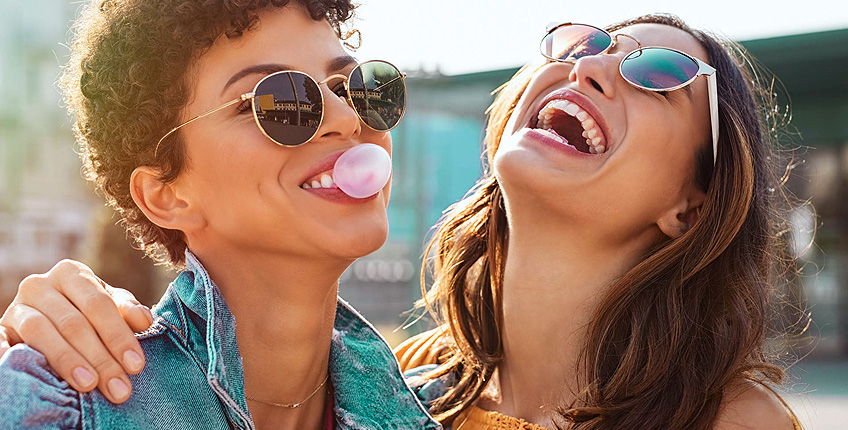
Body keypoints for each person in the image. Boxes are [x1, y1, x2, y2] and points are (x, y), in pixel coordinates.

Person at [1, 12, 803, 430]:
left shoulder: (727, 421)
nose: (590, 64)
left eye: (658, 73)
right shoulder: (410, 391)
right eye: (582, 43)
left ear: (691, 204)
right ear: (164, 193)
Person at [0, 0, 441, 429]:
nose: (346, 118)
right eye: (280, 101)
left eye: (350, 87)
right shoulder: (58, 406)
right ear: (167, 196)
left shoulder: (438, 409)